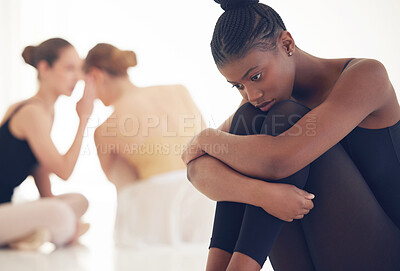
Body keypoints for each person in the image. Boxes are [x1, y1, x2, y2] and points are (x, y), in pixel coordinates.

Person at [181, 0, 400, 270]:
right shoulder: (258, 105)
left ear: (287, 44)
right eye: (238, 86)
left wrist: (206, 138)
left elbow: (279, 161)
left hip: (386, 254)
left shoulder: (367, 75)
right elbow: (196, 169)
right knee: (247, 120)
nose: (252, 95)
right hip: (313, 255)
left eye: (257, 76)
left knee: (283, 120)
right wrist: (262, 195)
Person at [83, 43, 215, 247]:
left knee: (120, 167)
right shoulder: (178, 91)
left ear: (95, 76)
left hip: (161, 206)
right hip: (205, 195)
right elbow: (206, 140)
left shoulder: (105, 129)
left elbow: (119, 181)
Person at [0, 38, 94, 250]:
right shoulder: (32, 112)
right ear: (44, 68)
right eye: (70, 68)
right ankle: (38, 231)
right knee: (58, 213)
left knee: (79, 201)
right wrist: (84, 118)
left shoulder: (46, 111)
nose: (78, 77)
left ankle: (29, 234)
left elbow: (38, 169)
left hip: (5, 209)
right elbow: (63, 170)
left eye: (80, 69)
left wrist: (49, 204)